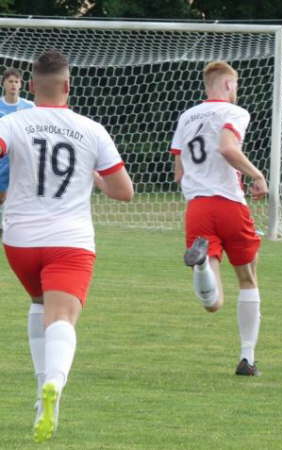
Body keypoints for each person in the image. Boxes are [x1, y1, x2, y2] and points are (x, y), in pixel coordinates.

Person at [0, 50, 134, 442]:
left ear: (29, 87)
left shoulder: (14, 121)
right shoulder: (91, 129)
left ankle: (42, 395)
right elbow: (124, 191)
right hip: (69, 240)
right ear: (68, 86)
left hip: (19, 241)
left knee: (41, 305)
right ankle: (54, 385)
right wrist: (94, 178)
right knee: (61, 318)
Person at [169, 61, 268, 376]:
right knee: (248, 279)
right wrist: (256, 175)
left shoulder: (187, 117)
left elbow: (179, 172)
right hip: (229, 203)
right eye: (234, 86)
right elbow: (227, 148)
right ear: (228, 85)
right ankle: (247, 358)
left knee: (212, 302)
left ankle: (201, 265)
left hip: (197, 207)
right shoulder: (234, 113)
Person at [0, 68, 35, 230]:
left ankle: (11, 224)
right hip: (2, 155)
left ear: (21, 85)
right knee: (1, 196)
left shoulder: (29, 106)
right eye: (10, 81)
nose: (13, 85)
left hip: (21, 155)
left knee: (20, 193)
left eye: (16, 81)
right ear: (4, 84)